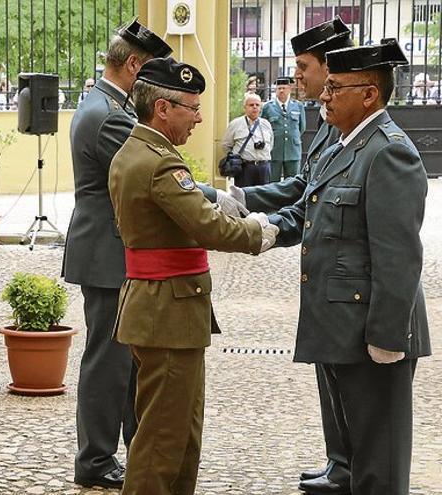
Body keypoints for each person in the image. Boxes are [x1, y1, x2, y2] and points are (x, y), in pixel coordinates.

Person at [109, 57, 278, 495]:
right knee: (163, 440)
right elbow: (210, 227)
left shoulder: (136, 152)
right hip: (167, 312)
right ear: (163, 108)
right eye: (193, 107)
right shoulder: (160, 163)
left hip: (163, 308)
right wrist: (258, 233)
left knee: (181, 433)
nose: (200, 117)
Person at [269, 38, 430, 495]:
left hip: (371, 333)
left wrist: (385, 338)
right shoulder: (345, 146)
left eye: (335, 87)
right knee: (358, 456)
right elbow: (309, 212)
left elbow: (398, 259)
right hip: (343, 326)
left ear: (369, 94)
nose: (323, 94)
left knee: (378, 464)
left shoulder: (389, 152)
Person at [229, 18, 356, 492]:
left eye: (303, 67)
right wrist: (243, 201)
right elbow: (304, 189)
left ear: (331, 68)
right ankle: (340, 462)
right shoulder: (326, 123)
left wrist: (256, 223)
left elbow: (307, 197)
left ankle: (347, 466)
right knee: (330, 374)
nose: (296, 77)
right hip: (326, 281)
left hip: (348, 284)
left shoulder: (358, 132)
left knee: (348, 380)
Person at [62, 18, 175, 490]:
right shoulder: (110, 114)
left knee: (124, 359)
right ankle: (95, 460)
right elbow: (153, 176)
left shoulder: (106, 104)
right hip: (108, 252)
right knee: (108, 361)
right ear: (133, 64)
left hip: (110, 249)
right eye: (152, 72)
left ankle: (122, 451)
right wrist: (215, 200)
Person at [221, 93, 274, 186]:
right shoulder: (235, 124)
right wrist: (236, 159)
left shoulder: (266, 124)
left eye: (257, 105)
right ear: (245, 107)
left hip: (264, 167)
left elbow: (271, 144)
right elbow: (226, 145)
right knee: (243, 197)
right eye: (251, 105)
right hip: (245, 168)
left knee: (264, 198)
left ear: (260, 107)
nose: (254, 107)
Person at [262, 77, 305, 181]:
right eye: (279, 88)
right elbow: (263, 127)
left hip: (292, 150)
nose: (281, 90)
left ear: (289, 89)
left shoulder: (298, 106)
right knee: (272, 182)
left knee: (293, 183)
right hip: (274, 150)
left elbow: (302, 127)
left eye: (284, 88)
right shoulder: (268, 107)